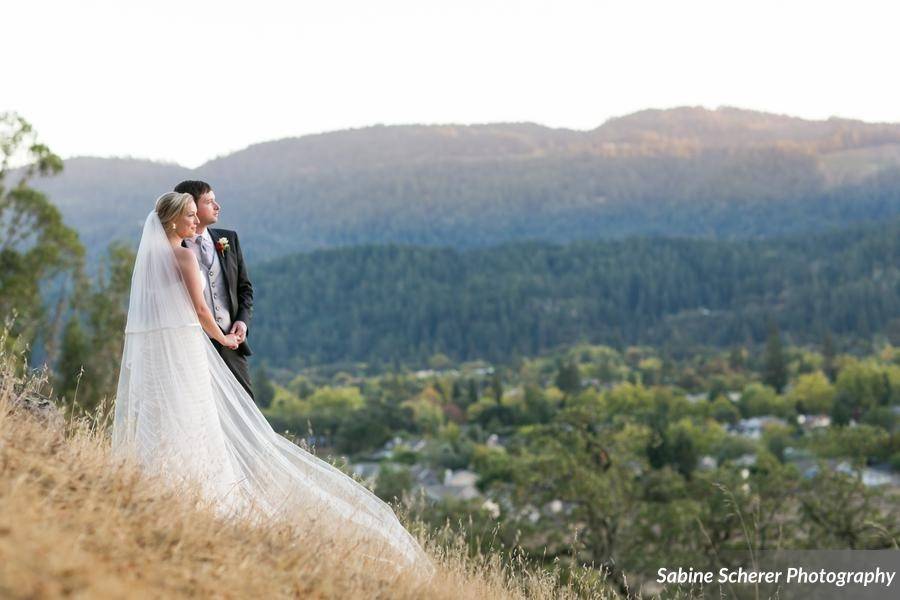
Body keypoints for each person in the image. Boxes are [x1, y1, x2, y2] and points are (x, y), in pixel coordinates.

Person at [112, 192, 432, 576]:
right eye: (191, 216)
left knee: (163, 413)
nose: (197, 223)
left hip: (160, 348)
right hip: (186, 345)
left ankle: (157, 484)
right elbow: (199, 308)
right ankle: (206, 496)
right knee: (196, 417)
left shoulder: (150, 257)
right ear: (174, 220)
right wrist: (223, 338)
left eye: (198, 215)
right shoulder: (182, 254)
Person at [174, 180, 255, 398]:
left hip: (232, 344)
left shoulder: (229, 239)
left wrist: (242, 322)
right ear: (190, 207)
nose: (217, 206)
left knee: (246, 412)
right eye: (209, 202)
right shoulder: (172, 250)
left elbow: (245, 289)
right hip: (192, 347)